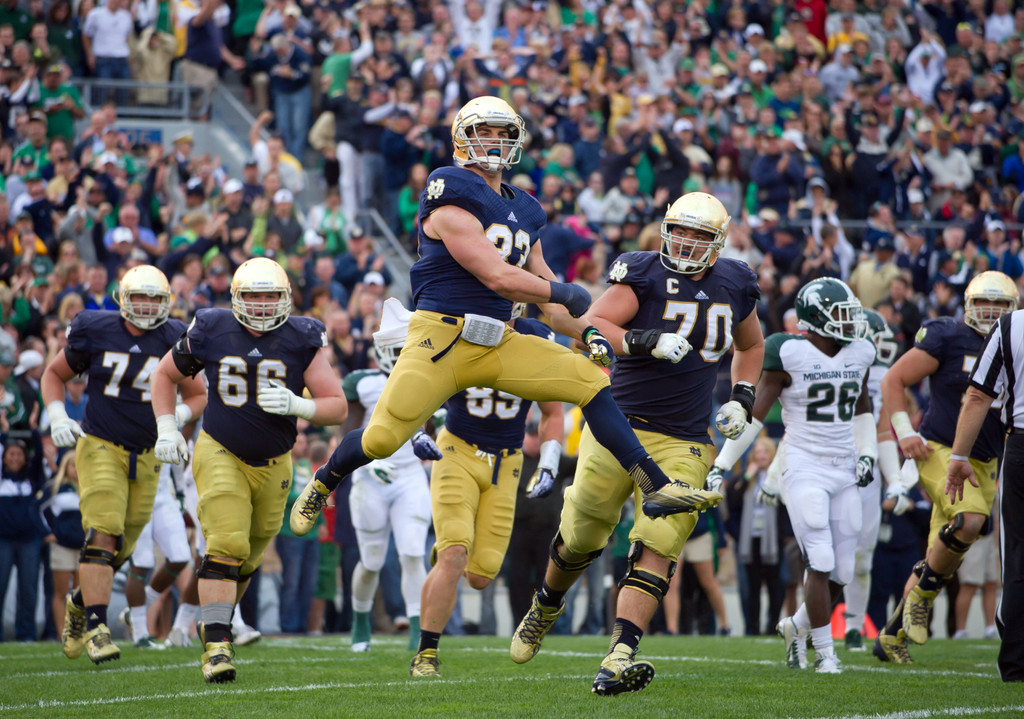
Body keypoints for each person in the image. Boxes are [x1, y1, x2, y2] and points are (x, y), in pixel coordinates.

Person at [289, 97, 727, 543]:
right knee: (382, 439)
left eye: (503, 133)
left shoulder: (526, 209)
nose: (495, 142)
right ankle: (326, 478)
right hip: (443, 338)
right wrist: (565, 291)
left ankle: (656, 484)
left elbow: (552, 306)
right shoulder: (449, 189)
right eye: (485, 132)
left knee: (589, 380)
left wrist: (589, 329)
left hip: (502, 339)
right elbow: (499, 278)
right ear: (462, 138)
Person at [510, 191, 764, 695]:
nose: (687, 243)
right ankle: (545, 605)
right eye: (681, 231)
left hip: (687, 438)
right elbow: (595, 325)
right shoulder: (644, 272)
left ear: (718, 242)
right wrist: (644, 340)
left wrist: (742, 396)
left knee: (660, 540)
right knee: (581, 537)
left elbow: (751, 344)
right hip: (618, 426)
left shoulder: (735, 281)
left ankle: (621, 652)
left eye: (699, 235)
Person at [148, 257, 347, 683]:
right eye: (253, 294)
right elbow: (164, 375)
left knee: (250, 556)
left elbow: (337, 405)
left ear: (286, 297)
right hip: (220, 450)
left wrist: (300, 405)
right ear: (237, 296)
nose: (260, 304)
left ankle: (214, 621)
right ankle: (217, 645)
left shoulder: (300, 336)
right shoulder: (212, 327)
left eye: (270, 295)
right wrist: (168, 426)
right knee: (226, 542)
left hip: (275, 462)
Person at [710, 278, 877, 674]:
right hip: (803, 464)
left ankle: (795, 626)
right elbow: (753, 416)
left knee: (843, 570)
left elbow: (863, 407)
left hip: (844, 464)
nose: (850, 322)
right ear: (815, 317)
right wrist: (723, 462)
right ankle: (826, 653)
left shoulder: (860, 352)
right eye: (840, 315)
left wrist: (868, 452)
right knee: (818, 558)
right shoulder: (788, 352)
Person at [40, 265, 205, 665]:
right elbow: (54, 374)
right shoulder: (96, 328)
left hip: (149, 454)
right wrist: (58, 415)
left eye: (155, 298)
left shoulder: (173, 337)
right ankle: (98, 628)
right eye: (140, 298)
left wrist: (175, 421)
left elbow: (199, 395)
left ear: (166, 302)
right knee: (104, 531)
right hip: (100, 445)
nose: (147, 306)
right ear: (122, 299)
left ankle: (81, 602)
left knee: (121, 548)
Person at [411, 301, 564, 676]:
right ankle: (426, 654)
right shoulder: (457, 325)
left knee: (480, 577)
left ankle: (446, 554)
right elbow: (417, 384)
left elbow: (552, 411)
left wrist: (549, 461)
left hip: (507, 461)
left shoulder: (534, 336)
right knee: (456, 554)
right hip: (457, 449)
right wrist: (417, 430)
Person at [875, 271, 1017, 665]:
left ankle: (890, 635)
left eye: (1000, 305)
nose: (991, 312)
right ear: (969, 306)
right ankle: (921, 597)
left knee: (941, 551)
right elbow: (894, 379)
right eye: (984, 304)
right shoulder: (949, 336)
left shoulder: (1013, 343)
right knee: (970, 520)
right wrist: (904, 432)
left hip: (987, 461)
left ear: (1013, 309)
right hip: (939, 450)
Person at [343, 298, 440, 654]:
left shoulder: (430, 378)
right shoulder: (363, 383)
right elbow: (347, 436)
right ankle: (360, 619)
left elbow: (433, 428)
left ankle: (418, 626)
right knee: (370, 560)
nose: (405, 354)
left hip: (409, 475)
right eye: (399, 348)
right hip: (371, 477)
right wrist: (367, 462)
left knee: (413, 553)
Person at [947, 304, 1024, 681]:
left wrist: (958, 455)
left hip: (1022, 445)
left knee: (1018, 556)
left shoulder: (1010, 327)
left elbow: (978, 395)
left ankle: (1016, 663)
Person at [843, 308, 906, 651]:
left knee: (862, 557)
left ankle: (853, 626)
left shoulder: (884, 375)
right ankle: (810, 622)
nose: (881, 346)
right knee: (822, 554)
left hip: (865, 473)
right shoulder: (832, 363)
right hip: (827, 464)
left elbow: (883, 431)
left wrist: (893, 478)